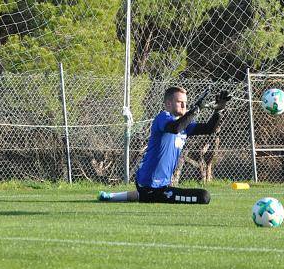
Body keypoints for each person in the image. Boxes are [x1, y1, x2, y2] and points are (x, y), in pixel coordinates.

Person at [98, 87, 231, 204]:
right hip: (151, 185)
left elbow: (208, 128)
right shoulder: (163, 117)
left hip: (155, 186)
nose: (184, 105)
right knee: (204, 197)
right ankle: (144, 195)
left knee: (149, 196)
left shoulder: (184, 124)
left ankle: (112, 196)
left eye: (186, 102)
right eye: (180, 102)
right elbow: (175, 128)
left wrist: (219, 110)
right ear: (168, 103)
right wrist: (195, 110)